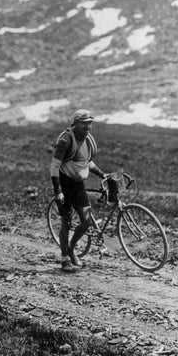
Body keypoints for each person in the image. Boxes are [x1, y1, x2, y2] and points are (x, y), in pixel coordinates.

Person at [50, 108, 106, 272]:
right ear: (75, 123)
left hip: (78, 184)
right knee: (66, 222)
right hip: (65, 183)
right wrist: (58, 190)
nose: (88, 127)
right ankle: (64, 257)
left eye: (90, 124)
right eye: (84, 124)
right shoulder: (66, 141)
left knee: (86, 220)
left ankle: (72, 249)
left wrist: (102, 174)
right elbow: (54, 167)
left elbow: (86, 162)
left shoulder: (88, 140)